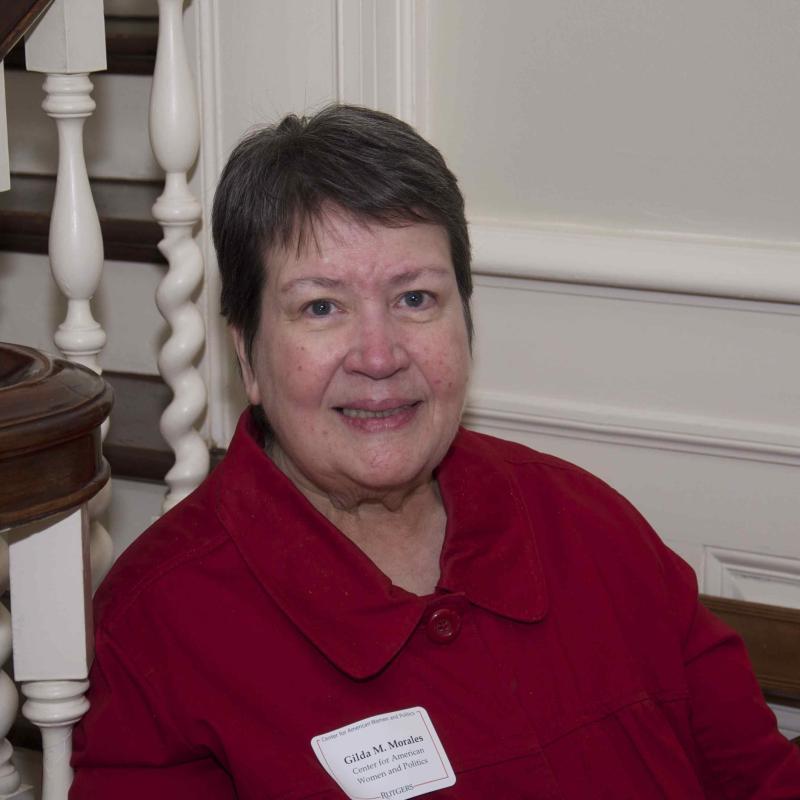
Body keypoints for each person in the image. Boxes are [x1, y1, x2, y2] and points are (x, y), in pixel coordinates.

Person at [70, 105, 800, 799]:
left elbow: (761, 777)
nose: (380, 355)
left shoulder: (588, 524)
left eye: (415, 298)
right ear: (248, 358)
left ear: (466, 324)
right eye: (321, 306)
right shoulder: (163, 622)